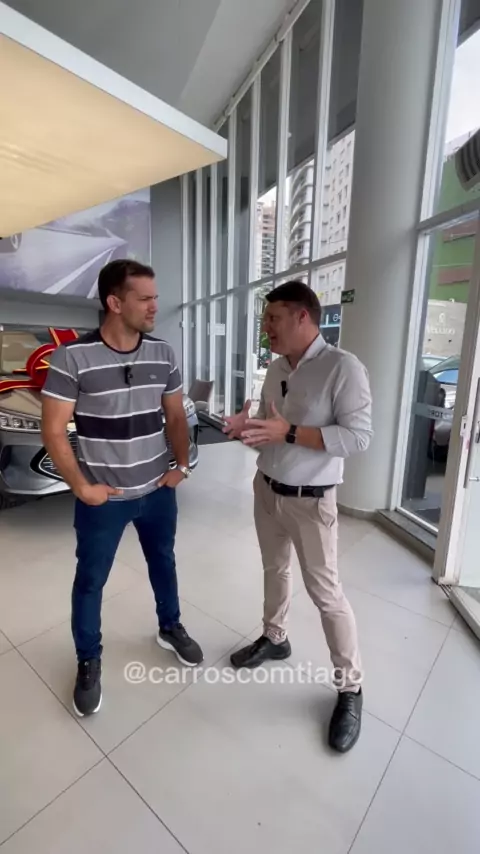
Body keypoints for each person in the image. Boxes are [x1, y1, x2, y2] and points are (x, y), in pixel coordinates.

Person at [41, 259, 202, 718]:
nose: (154, 306)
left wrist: (182, 467)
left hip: (157, 491)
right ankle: (88, 659)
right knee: (91, 580)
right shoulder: (73, 357)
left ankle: (170, 626)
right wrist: (82, 487)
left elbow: (175, 416)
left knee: (163, 562)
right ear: (115, 302)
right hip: (104, 499)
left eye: (155, 297)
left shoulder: (163, 353)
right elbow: (52, 430)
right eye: (144, 298)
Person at [223, 281, 372, 753]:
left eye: (273, 318)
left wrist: (290, 433)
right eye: (266, 318)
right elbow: (272, 425)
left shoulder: (343, 368)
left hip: (312, 502)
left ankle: (350, 688)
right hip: (267, 490)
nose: (266, 326)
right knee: (274, 569)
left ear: (302, 317)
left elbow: (358, 438)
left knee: (327, 595)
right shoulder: (276, 367)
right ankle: (275, 637)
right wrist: (245, 427)